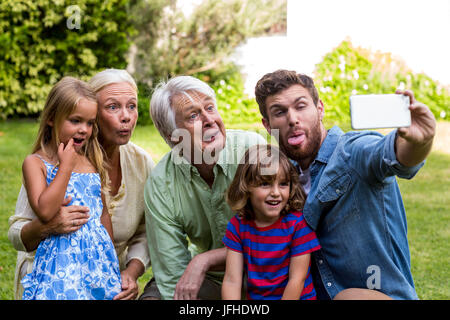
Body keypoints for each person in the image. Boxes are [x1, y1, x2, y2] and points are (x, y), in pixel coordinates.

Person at [254, 69, 436, 300]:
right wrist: (205, 259)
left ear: (320, 109)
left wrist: (421, 142)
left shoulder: (353, 152)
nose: (292, 119)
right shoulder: (280, 178)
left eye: (300, 106)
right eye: (279, 112)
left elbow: (394, 156)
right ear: (268, 126)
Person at [9, 69, 154, 300]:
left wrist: (124, 272)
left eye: (132, 106)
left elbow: (139, 229)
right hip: (56, 273)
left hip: (98, 272)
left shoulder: (134, 162)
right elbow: (25, 225)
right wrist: (47, 226)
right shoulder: (45, 162)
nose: (126, 116)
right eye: (113, 107)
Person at [142, 75, 266, 300]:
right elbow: (172, 274)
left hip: (266, 273)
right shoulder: (161, 183)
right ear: (173, 137)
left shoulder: (253, 150)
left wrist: (205, 259)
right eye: (193, 115)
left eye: (210, 108)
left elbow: (278, 236)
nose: (210, 120)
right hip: (210, 280)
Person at [20, 76, 122, 299]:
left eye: (89, 123)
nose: (84, 130)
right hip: (60, 264)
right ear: (51, 119)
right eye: (75, 121)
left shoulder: (92, 159)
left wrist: (112, 258)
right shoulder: (36, 163)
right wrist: (66, 165)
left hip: (97, 263)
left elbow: (103, 213)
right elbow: (45, 211)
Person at [222, 144, 321, 300]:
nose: (275, 193)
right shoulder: (238, 226)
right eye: (265, 184)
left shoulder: (298, 225)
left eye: (283, 184)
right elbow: (232, 280)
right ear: (246, 186)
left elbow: (297, 279)